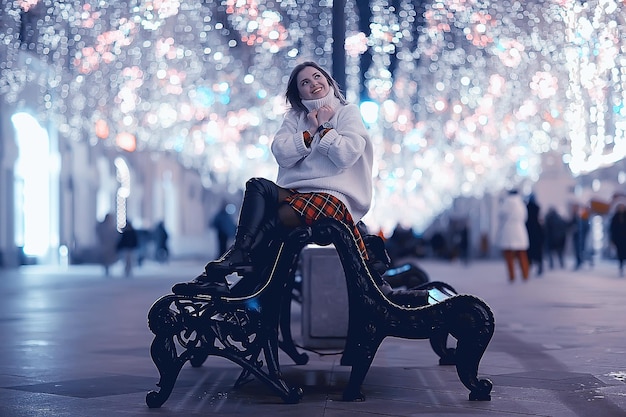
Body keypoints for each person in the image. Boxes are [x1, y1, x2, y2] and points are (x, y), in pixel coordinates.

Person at [175, 61, 376, 295]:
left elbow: (346, 155)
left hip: (334, 197)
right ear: (298, 93)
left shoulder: (347, 112)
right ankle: (237, 262)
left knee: (275, 220)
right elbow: (282, 154)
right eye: (305, 82)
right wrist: (309, 131)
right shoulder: (295, 118)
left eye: (317, 76)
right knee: (257, 186)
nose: (314, 84)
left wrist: (325, 126)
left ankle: (229, 275)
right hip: (297, 193)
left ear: (329, 80)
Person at [496, 189, 530, 282]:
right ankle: (525, 274)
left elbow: (500, 215)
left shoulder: (506, 203)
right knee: (522, 254)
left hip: (509, 229)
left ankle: (512, 275)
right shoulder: (521, 204)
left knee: (509, 255)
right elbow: (525, 217)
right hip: (519, 229)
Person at [525, 194, 544, 276]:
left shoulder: (526, 207)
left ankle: (527, 268)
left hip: (528, 231)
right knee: (538, 252)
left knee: (529, 252)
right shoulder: (537, 207)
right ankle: (539, 267)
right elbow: (540, 220)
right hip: (537, 231)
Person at [570, 203, 591, 270]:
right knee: (578, 250)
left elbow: (587, 226)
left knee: (582, 250)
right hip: (576, 237)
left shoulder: (583, 216)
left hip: (581, 237)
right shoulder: (575, 216)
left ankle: (584, 261)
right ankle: (579, 262)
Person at [609, 203, 626, 276]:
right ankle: (621, 265)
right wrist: (612, 239)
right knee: (620, 252)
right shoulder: (615, 217)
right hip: (618, 238)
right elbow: (612, 229)